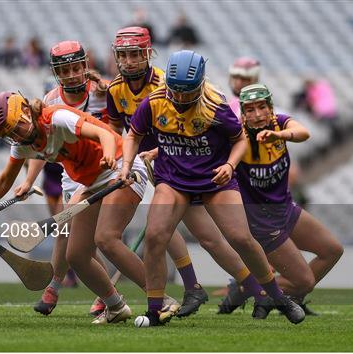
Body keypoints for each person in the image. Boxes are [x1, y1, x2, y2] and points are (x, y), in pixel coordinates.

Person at [120, 50, 306, 326]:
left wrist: (230, 166)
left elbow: (240, 140)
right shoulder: (155, 102)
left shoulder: (215, 105)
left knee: (240, 238)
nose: (181, 98)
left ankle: (277, 296)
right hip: (173, 180)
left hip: (214, 180)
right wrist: (126, 165)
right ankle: (154, 310)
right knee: (156, 237)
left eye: (188, 92)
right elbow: (134, 134)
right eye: (177, 92)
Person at [108, 27, 263, 318]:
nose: (128, 61)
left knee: (207, 237)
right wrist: (123, 164)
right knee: (161, 232)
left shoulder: (168, 81)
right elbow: (118, 130)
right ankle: (206, 287)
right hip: (153, 166)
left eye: (134, 54)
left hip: (180, 166)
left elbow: (189, 125)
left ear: (147, 54)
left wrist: (158, 152)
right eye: (123, 55)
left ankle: (251, 288)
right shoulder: (115, 88)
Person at [0, 91, 150, 325]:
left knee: (106, 238)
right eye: (9, 134)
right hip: (91, 182)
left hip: (120, 167)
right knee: (76, 255)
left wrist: (108, 156)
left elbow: (104, 134)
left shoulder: (56, 118)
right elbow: (4, 180)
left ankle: (159, 299)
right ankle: (116, 306)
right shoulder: (24, 143)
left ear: (27, 111)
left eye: (16, 128)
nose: (15, 136)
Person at [218, 84, 343, 317]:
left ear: (270, 108)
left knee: (332, 250)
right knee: (305, 281)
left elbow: (303, 133)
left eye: (262, 107)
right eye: (250, 110)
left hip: (285, 209)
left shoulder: (280, 123)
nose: (257, 114)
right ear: (243, 114)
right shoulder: (238, 137)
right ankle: (251, 289)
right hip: (262, 222)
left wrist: (279, 135)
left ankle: (278, 298)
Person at [14, 41, 114, 317]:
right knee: (73, 237)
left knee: (81, 238)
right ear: (57, 72)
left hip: (107, 170)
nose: (70, 74)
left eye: (75, 68)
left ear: (84, 66)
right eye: (64, 70)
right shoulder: (50, 101)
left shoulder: (103, 93)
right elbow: (39, 148)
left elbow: (120, 128)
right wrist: (27, 180)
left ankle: (54, 287)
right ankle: (101, 294)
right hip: (73, 176)